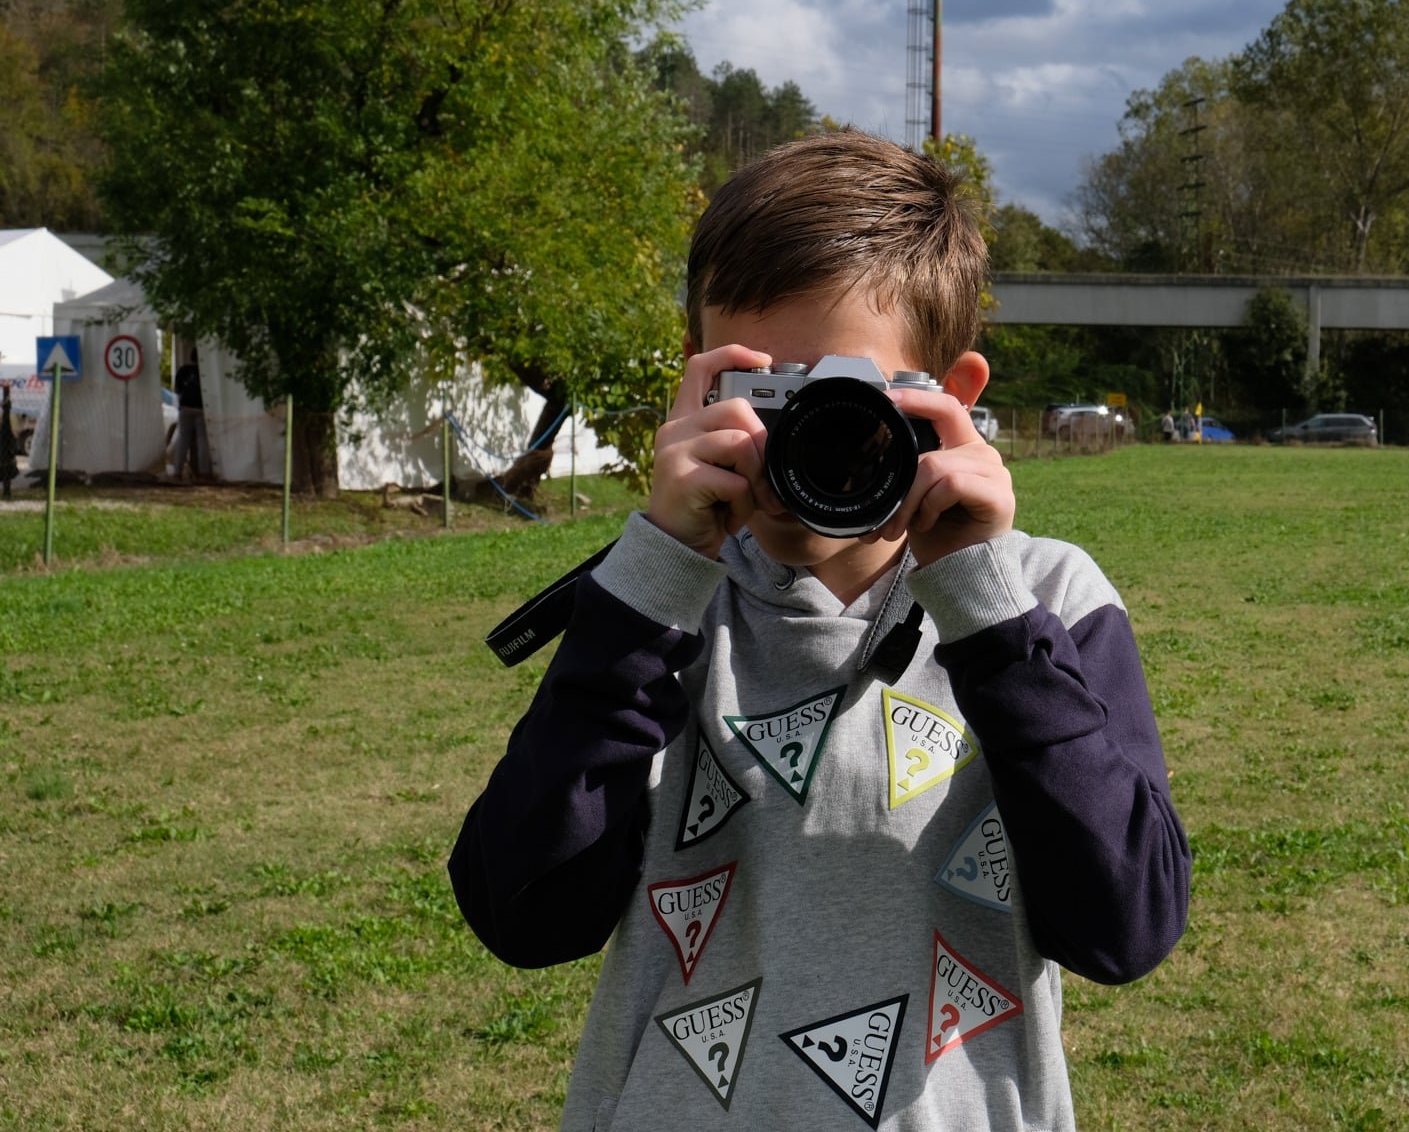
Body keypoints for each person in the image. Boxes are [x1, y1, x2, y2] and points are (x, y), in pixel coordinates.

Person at [448, 129, 1190, 1131]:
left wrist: (983, 603)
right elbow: (527, 915)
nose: (805, 442)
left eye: (841, 402)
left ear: (953, 397)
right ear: (697, 383)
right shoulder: (662, 605)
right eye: (765, 397)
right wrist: (650, 586)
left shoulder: (1042, 598)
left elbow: (1124, 927)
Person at [167, 347, 210, 480]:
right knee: (202, 440)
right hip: (201, 409)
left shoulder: (183, 370)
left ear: (191, 357)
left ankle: (177, 471)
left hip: (185, 408)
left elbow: (177, 390)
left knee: (183, 440)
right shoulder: (205, 372)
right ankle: (204, 472)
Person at [0, 381, 19, 498]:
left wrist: (6, 391)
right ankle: (7, 492)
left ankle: (7, 492)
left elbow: (6, 411)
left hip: (5, 453)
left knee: (6, 469)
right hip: (4, 455)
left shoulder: (5, 429)